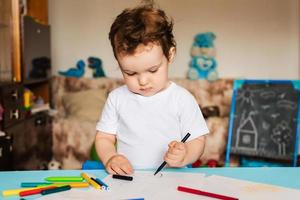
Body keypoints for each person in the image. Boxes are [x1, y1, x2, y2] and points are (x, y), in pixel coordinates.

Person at [95, 3, 209, 175]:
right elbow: (104, 138)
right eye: (130, 73)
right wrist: (111, 157)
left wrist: (185, 155)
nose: (143, 81)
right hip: (130, 178)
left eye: (153, 70)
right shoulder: (116, 98)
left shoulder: (182, 98)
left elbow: (197, 140)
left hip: (173, 178)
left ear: (170, 55)